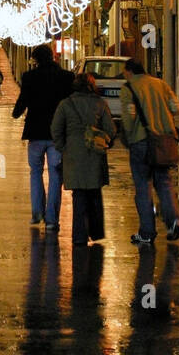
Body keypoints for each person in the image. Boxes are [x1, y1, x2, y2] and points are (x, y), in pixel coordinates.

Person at [120, 58, 179, 247]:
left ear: (129, 71)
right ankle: (173, 221)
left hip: (141, 141)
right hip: (163, 141)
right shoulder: (161, 84)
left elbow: (129, 118)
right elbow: (176, 107)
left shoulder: (129, 88)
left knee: (143, 187)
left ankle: (147, 232)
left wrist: (128, 138)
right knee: (164, 182)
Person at [12, 43, 75, 229]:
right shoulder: (66, 77)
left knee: (35, 172)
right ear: (53, 57)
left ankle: (37, 212)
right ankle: (52, 219)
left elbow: (22, 101)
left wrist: (16, 113)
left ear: (36, 60)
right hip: (57, 134)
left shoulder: (30, 77)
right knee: (56, 175)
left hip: (36, 132)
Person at [51, 73, 116, 247]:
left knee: (79, 195)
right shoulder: (100, 104)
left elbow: (56, 130)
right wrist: (104, 141)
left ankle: (79, 236)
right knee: (94, 193)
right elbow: (111, 129)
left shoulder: (65, 104)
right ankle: (95, 232)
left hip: (73, 154)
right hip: (95, 153)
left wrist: (63, 147)